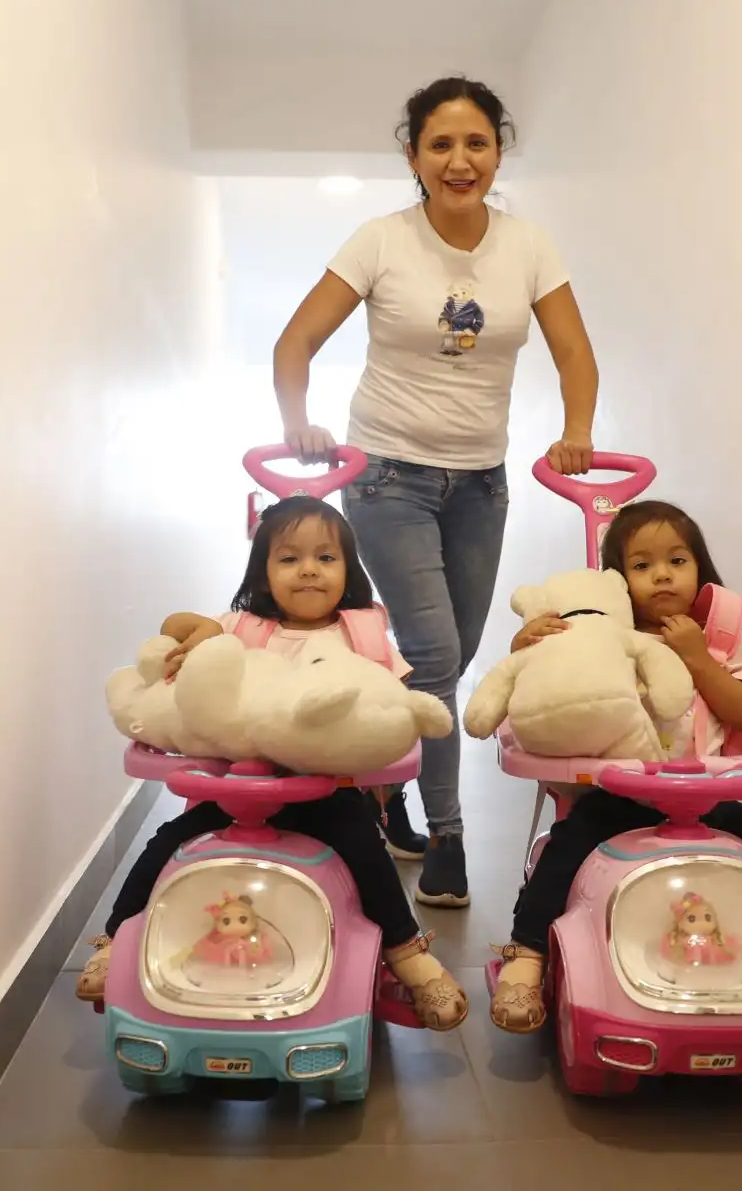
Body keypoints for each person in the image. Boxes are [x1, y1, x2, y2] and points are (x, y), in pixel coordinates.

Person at [271, 76, 599, 909]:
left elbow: (574, 352)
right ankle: (449, 837)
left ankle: (387, 792)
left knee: (442, 659)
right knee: (437, 656)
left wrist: (578, 429)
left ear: (499, 152)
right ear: (414, 156)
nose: (460, 161)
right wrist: (298, 424)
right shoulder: (382, 241)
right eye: (441, 145)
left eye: (476, 143)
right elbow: (296, 340)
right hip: (389, 475)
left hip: (481, 483)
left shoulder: (528, 246)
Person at [75, 497, 467, 1031]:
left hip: (326, 792)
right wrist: (202, 634)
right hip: (238, 793)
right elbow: (174, 623)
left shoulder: (362, 636)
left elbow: (391, 705)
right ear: (262, 571)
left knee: (367, 853)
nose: (308, 569)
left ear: (349, 569)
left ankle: (409, 956)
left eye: (325, 557)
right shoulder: (241, 628)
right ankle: (114, 941)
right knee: (167, 842)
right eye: (288, 558)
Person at [487, 500, 742, 1033]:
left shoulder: (722, 645)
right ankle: (526, 954)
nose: (662, 575)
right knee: (568, 843)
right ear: (618, 583)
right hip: (621, 796)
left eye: (677, 561)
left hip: (706, 799)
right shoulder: (603, 642)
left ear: (700, 570)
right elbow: (545, 687)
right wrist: (525, 645)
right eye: (642, 566)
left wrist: (699, 658)